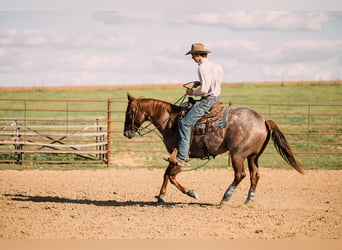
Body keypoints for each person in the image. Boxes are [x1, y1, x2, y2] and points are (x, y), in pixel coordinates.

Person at [176, 43, 223, 166]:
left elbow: (204, 91)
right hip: (216, 98)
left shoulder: (202, 68)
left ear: (198, 55)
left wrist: (192, 92)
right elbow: (214, 83)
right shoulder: (215, 66)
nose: (192, 58)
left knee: (184, 123)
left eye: (193, 55)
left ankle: (182, 156)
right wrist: (200, 83)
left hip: (207, 100)